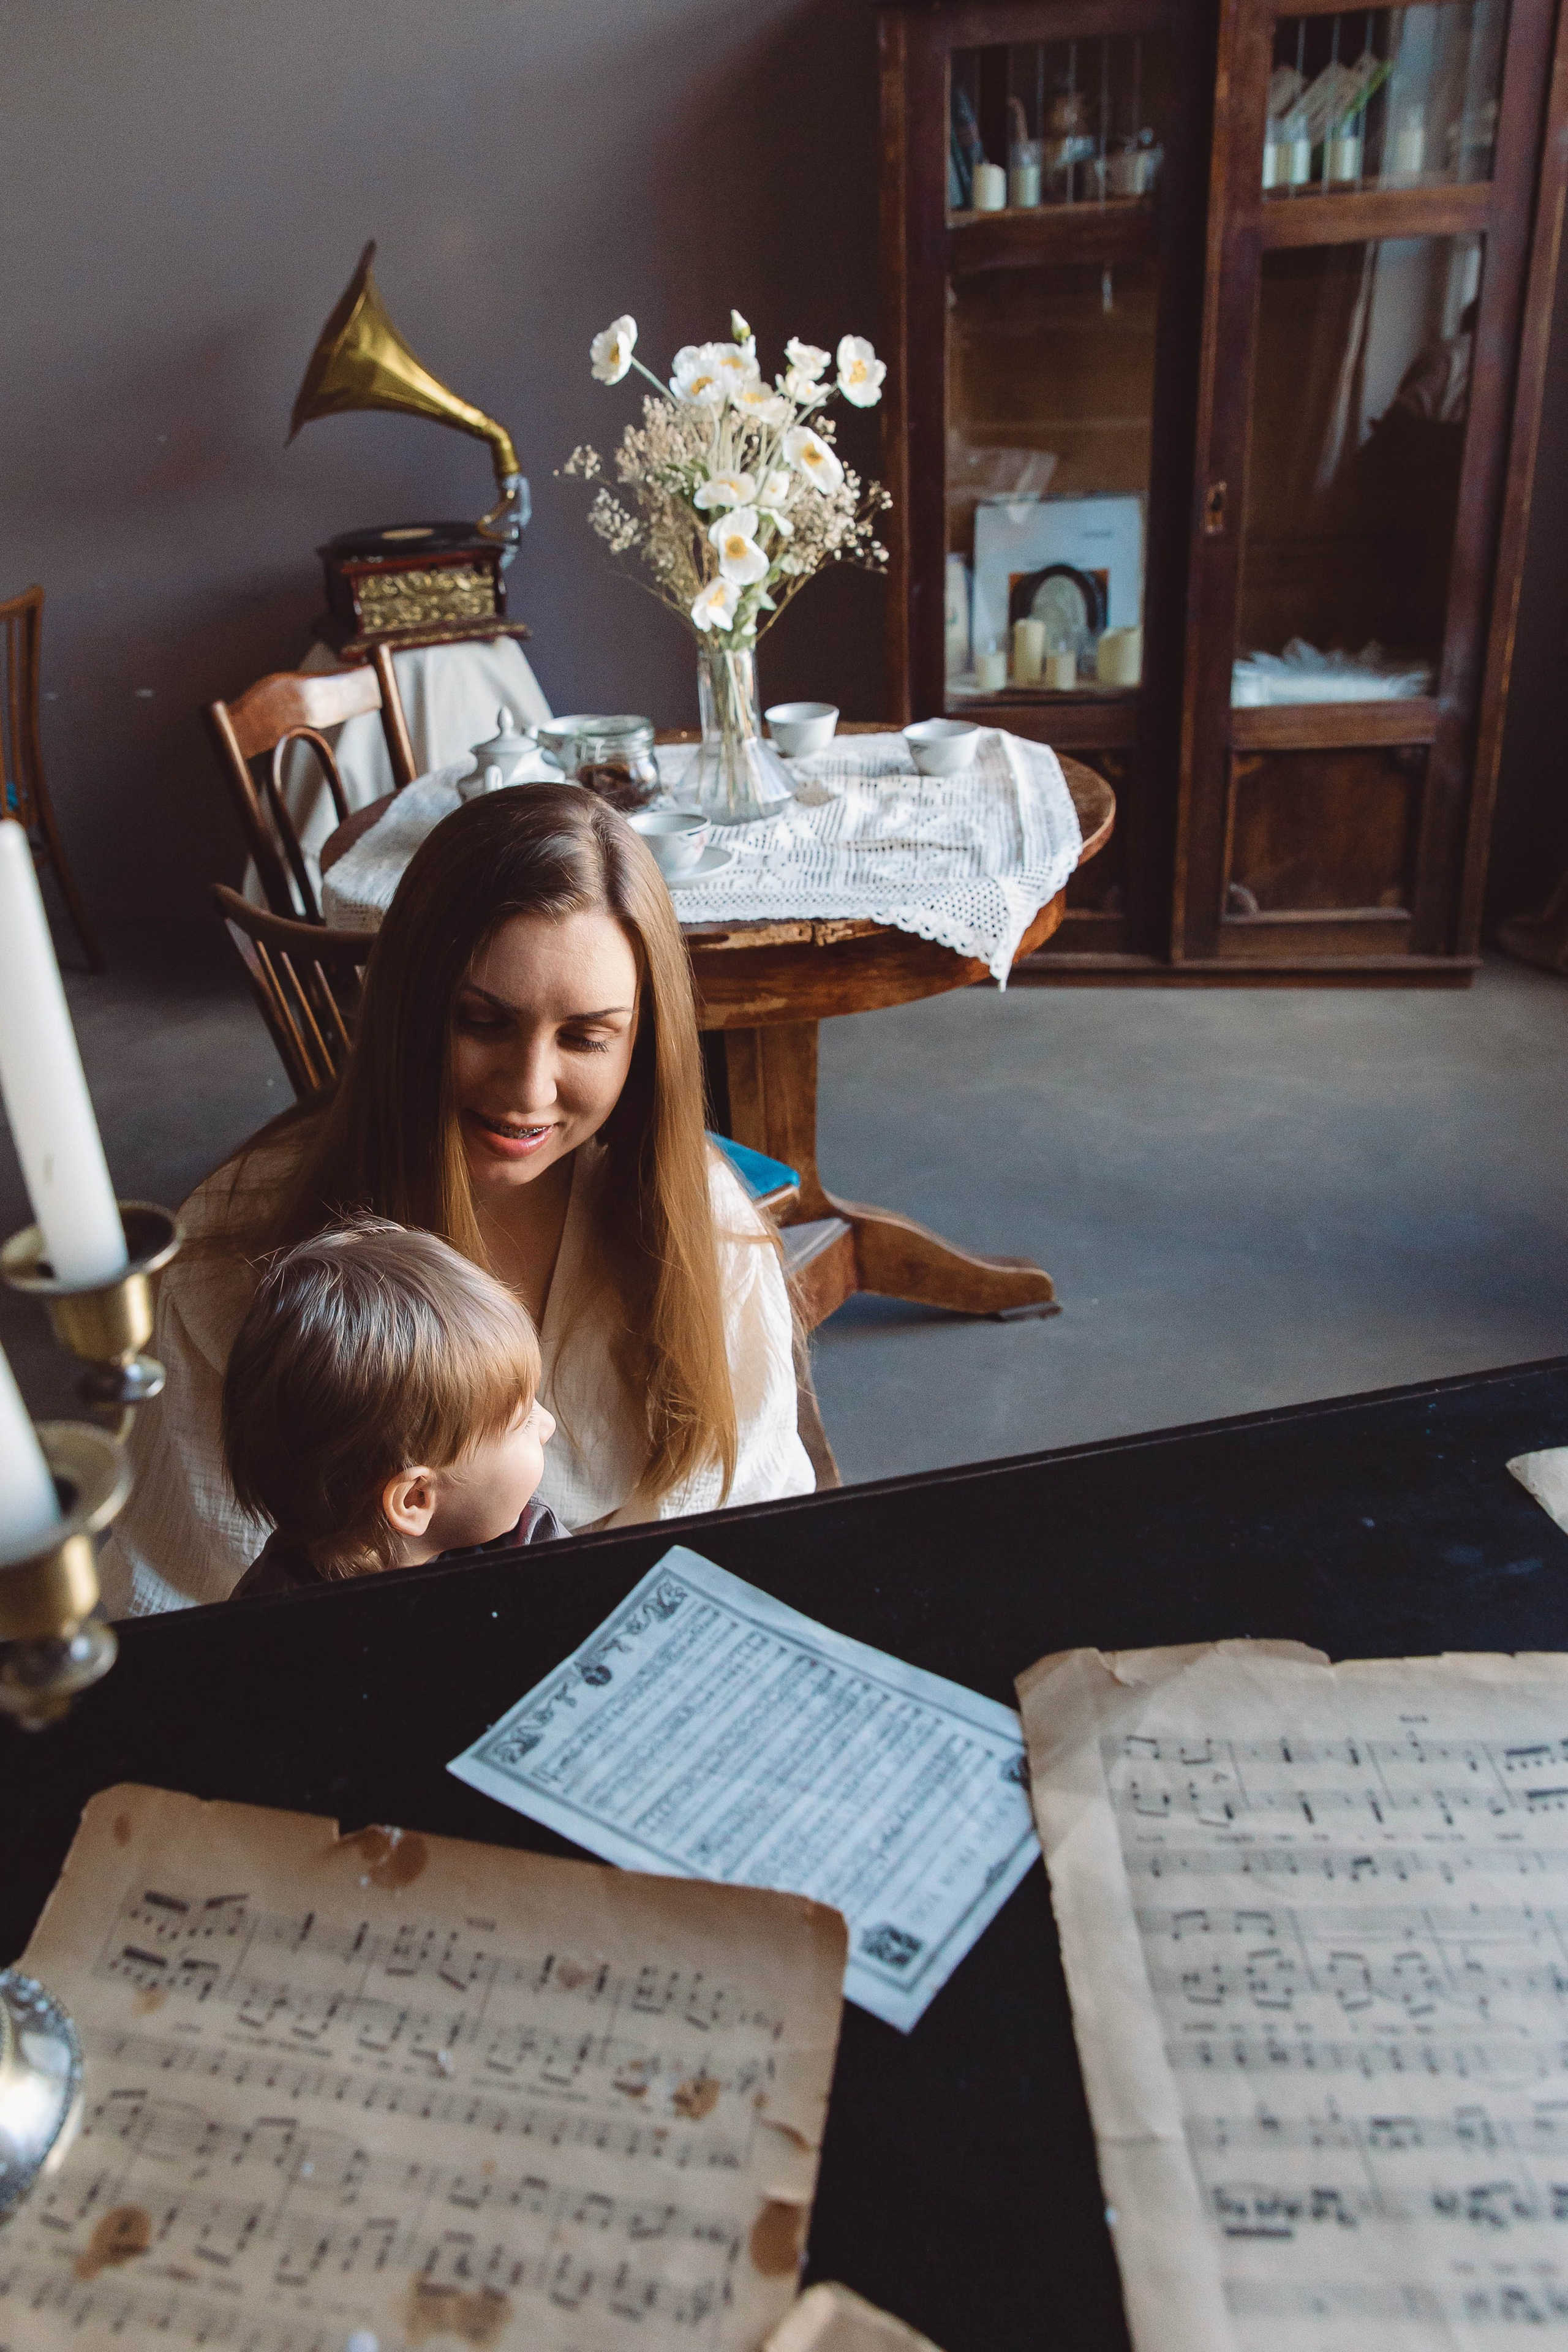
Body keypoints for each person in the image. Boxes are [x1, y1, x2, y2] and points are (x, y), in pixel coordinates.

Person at [102, 785, 813, 1615]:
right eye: (481, 1021)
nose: (528, 1089)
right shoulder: (234, 1244)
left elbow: (755, 1518)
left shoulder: (705, 1221)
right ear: (408, 1009)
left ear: (641, 1042)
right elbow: (192, 1592)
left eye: (585, 1036)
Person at [225, 1221, 561, 1598]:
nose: (547, 1424)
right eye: (523, 1422)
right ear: (415, 1498)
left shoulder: (531, 1539)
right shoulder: (269, 1624)